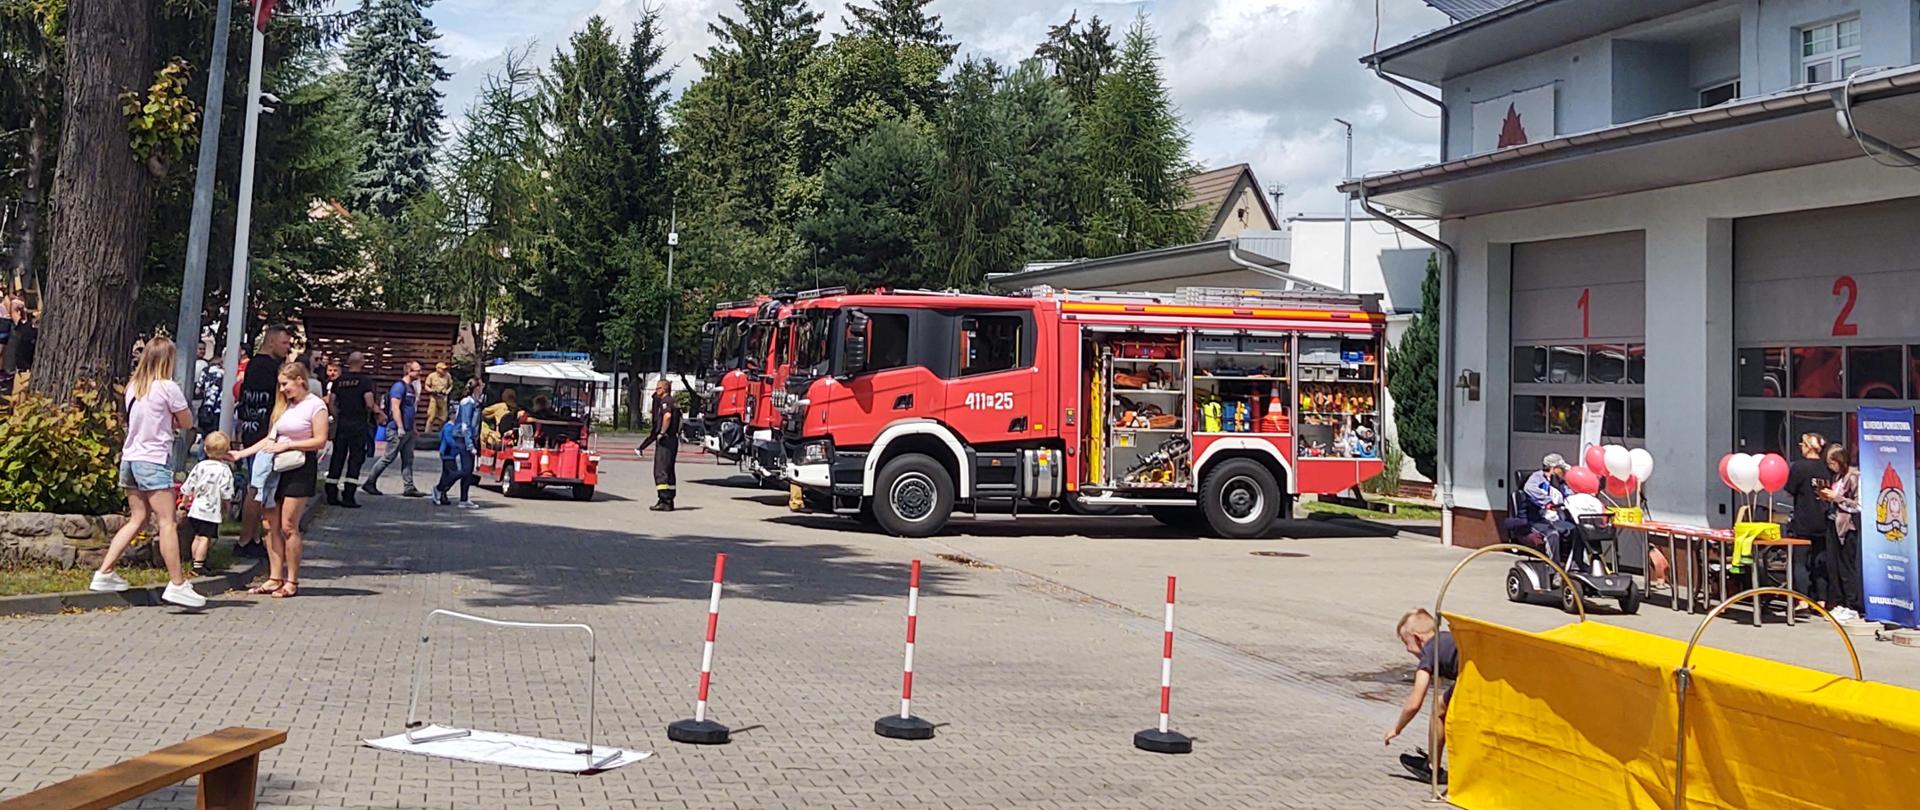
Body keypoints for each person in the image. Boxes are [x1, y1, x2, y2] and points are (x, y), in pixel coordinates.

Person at [89, 337, 206, 608]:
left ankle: (104, 572)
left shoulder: (134, 387)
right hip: (154, 460)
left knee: (137, 518)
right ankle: (177, 583)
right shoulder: (168, 387)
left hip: (131, 458)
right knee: (167, 522)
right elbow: (187, 421)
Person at [230, 362, 329, 599]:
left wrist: (289, 445)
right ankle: (274, 577)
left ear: (300, 381)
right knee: (269, 523)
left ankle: (292, 580)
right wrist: (242, 453)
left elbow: (320, 440)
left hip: (299, 466)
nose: (283, 389)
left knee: (288, 525)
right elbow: (270, 438)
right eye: (280, 385)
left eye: (286, 384)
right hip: (275, 468)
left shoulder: (315, 406)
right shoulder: (283, 406)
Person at [234, 326, 292, 558]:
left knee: (259, 486)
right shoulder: (268, 367)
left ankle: (253, 537)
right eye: (284, 343)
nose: (288, 348)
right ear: (271, 342)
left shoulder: (253, 366)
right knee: (257, 488)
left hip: (252, 429)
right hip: (263, 434)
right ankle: (246, 540)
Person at [1385, 608, 1456, 785]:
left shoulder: (1429, 652)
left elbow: (1414, 703)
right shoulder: (1447, 638)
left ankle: (1432, 767)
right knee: (1442, 704)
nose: (1408, 650)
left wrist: (1397, 729)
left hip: (1470, 683)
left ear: (1417, 638)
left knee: (1438, 709)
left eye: (1406, 643)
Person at [1784, 432, 1834, 613]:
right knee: (1820, 561)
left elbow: (1790, 489)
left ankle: (1803, 601)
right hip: (1823, 520)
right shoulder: (1826, 467)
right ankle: (1822, 600)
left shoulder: (1799, 467)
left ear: (1808, 447)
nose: (1801, 448)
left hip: (1804, 520)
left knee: (1800, 561)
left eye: (1802, 444)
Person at [362, 361, 426, 497]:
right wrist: (400, 427)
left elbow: (410, 409)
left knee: (408, 459)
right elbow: (395, 407)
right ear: (408, 371)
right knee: (388, 457)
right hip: (396, 430)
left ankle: (409, 487)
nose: (420, 373)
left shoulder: (411, 388)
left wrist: (413, 428)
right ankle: (370, 482)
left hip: (408, 430)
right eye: (417, 370)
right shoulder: (399, 387)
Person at [179, 432, 237, 579]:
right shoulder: (224, 470)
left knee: (197, 536)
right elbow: (226, 492)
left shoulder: (200, 466)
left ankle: (194, 561)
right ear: (226, 451)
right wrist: (227, 507)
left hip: (196, 509)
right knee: (205, 538)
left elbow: (189, 486)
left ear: (205, 449)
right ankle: (199, 565)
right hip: (211, 511)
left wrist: (184, 503)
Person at [324, 351, 378, 507]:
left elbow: (331, 403)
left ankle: (331, 494)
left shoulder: (339, 381)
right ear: (362, 362)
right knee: (355, 459)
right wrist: (377, 413)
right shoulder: (364, 381)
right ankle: (348, 496)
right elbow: (369, 403)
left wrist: (338, 415)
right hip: (358, 424)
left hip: (342, 424)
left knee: (337, 457)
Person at [1820, 443, 1864, 622]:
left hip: (1848, 527)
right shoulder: (1837, 477)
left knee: (1847, 567)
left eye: (1833, 463)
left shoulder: (1854, 477)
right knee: (1834, 566)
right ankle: (1839, 602)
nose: (1831, 467)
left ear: (1841, 461)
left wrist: (1837, 498)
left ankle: (1852, 605)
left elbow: (1858, 506)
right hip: (1833, 523)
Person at [434, 379, 486, 508]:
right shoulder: (467, 402)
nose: (483, 387)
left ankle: (464, 499)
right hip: (463, 439)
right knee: (465, 470)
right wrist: (470, 445)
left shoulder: (475, 402)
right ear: (476, 388)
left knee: (469, 471)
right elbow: (465, 425)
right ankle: (440, 488)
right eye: (481, 385)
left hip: (470, 438)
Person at [1522, 454, 1580, 566]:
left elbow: (1568, 495)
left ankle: (1574, 565)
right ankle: (1554, 568)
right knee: (1552, 534)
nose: (1563, 471)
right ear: (1553, 468)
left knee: (1577, 531)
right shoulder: (1537, 477)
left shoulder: (1559, 481)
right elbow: (1529, 488)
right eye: (1561, 468)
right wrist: (1547, 502)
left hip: (1555, 518)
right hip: (1538, 519)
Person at [635, 378, 682, 511]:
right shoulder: (674, 402)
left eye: (658, 388)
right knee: (669, 470)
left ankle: (664, 500)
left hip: (665, 440)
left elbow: (667, 417)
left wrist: (662, 432)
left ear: (664, 389)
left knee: (661, 470)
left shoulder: (666, 402)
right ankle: (669, 499)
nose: (656, 391)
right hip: (673, 440)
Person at [2, 301, 35, 394]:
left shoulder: (23, 328)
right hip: (32, 368)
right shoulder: (38, 333)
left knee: (19, 394)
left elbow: (13, 312)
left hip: (21, 370)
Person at [424, 361, 454, 431]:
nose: (444, 370)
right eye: (442, 369)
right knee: (431, 416)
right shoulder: (431, 376)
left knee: (443, 418)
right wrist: (431, 390)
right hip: (434, 398)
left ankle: (441, 432)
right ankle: (427, 432)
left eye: (445, 369)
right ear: (438, 369)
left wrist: (447, 392)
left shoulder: (448, 376)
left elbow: (451, 385)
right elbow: (426, 386)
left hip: (443, 398)